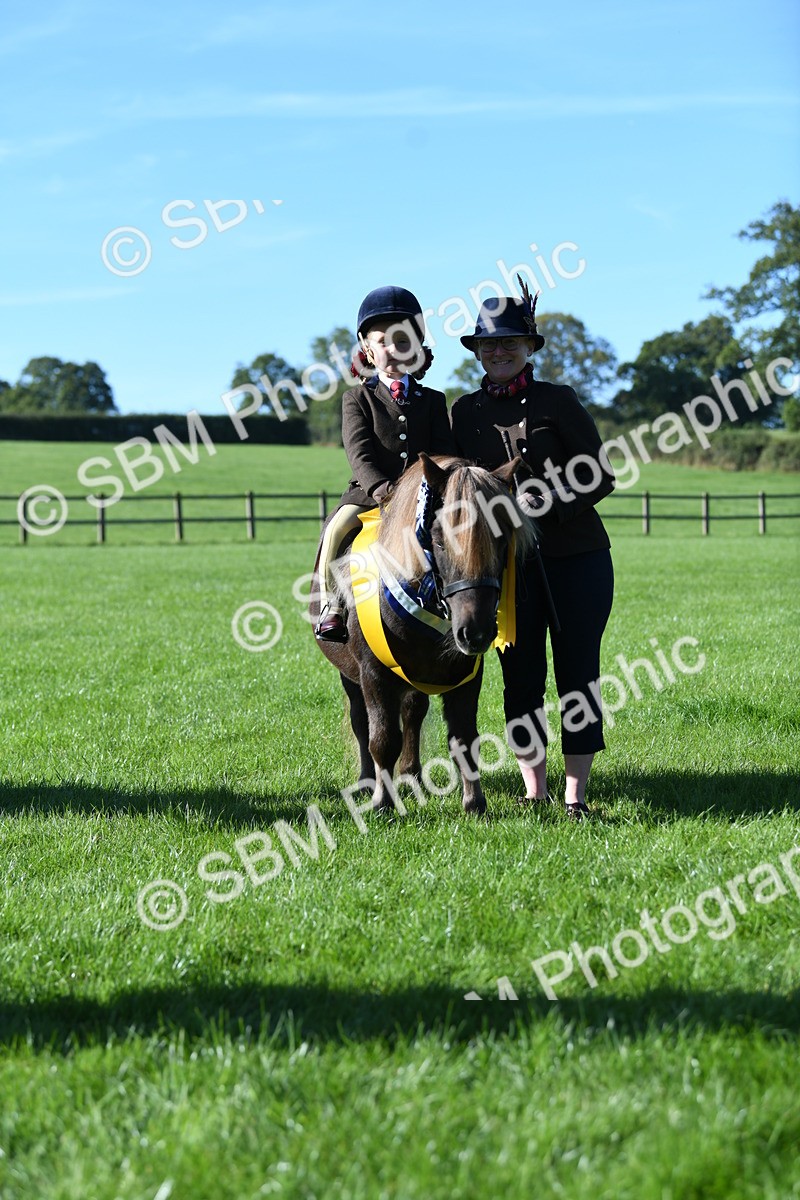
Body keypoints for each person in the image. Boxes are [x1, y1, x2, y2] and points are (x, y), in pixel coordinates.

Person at [450, 290, 615, 819]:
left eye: (510, 343)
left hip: (576, 559)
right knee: (520, 678)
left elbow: (600, 474)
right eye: (489, 344)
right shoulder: (464, 412)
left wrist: (548, 502)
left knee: (577, 676)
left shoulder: (559, 401)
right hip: (505, 570)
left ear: (529, 346)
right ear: (477, 351)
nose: (499, 352)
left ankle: (576, 796)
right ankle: (534, 791)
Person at [315, 285, 455, 642]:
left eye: (402, 341)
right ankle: (332, 605)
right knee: (335, 529)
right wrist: (382, 489)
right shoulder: (356, 398)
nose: (392, 350)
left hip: (424, 495)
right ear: (366, 348)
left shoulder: (434, 401)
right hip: (368, 494)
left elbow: (442, 451)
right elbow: (359, 452)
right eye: (382, 341)